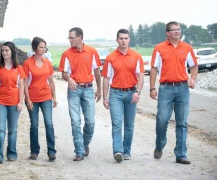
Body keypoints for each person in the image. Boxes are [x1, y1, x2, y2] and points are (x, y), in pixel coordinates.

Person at [150, 21, 198, 164]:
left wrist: (193, 79)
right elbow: (153, 68)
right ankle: (159, 145)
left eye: (179, 29)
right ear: (168, 33)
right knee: (162, 120)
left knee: (182, 122)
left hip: (183, 88)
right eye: (174, 30)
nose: (177, 32)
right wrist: (152, 88)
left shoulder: (187, 48)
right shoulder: (159, 48)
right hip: (165, 88)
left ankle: (181, 154)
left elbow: (194, 66)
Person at [58, 27, 102, 161]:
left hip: (88, 89)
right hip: (74, 90)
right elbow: (64, 73)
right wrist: (69, 78)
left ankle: (84, 144)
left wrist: (99, 89)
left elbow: (97, 72)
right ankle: (79, 151)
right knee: (75, 121)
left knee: (90, 122)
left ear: (80, 37)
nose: (70, 40)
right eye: (69, 38)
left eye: (72, 37)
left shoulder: (92, 51)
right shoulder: (67, 54)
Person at [101, 29, 144, 163]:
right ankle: (117, 151)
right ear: (117, 40)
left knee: (129, 125)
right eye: (121, 38)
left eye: (126, 38)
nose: (123, 41)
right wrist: (105, 97)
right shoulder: (110, 57)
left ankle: (126, 151)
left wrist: (138, 92)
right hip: (116, 94)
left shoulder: (136, 56)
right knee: (117, 123)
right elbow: (106, 78)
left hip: (132, 93)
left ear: (129, 39)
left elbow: (141, 75)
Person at [0, 41, 26, 164]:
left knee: (13, 129)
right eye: (3, 50)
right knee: (0, 129)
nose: (4, 53)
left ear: (12, 52)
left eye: (7, 50)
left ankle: (11, 153)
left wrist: (21, 101)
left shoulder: (19, 68)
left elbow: (21, 86)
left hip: (14, 102)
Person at [23, 37, 57, 161]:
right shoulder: (27, 63)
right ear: (34, 48)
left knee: (49, 123)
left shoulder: (47, 63)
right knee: (34, 124)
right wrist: (27, 99)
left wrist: (54, 97)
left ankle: (52, 151)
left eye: (44, 47)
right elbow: (25, 83)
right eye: (41, 47)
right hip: (32, 98)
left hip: (46, 97)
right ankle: (34, 151)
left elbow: (51, 81)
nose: (43, 50)